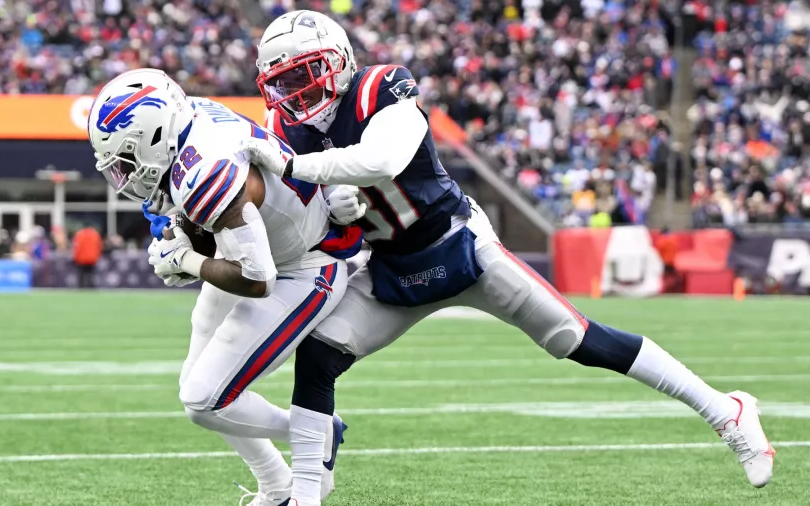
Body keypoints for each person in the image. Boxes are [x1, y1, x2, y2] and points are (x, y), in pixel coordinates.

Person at [239, 11, 775, 506]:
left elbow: (383, 158)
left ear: (337, 61)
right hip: (393, 272)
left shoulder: (380, 89)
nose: (294, 91)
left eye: (303, 73)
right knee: (319, 355)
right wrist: (332, 214)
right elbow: (314, 229)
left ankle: (726, 411)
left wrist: (299, 169)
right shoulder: (287, 133)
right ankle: (306, 491)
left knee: (577, 339)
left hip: (459, 248)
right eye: (281, 82)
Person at [87, 68, 364, 506]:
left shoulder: (203, 171)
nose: (123, 176)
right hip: (270, 248)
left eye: (125, 160)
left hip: (305, 267)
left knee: (205, 398)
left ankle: (315, 430)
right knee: (194, 386)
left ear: (154, 136)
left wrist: (188, 260)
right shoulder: (190, 123)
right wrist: (182, 233)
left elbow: (257, 280)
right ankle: (275, 484)